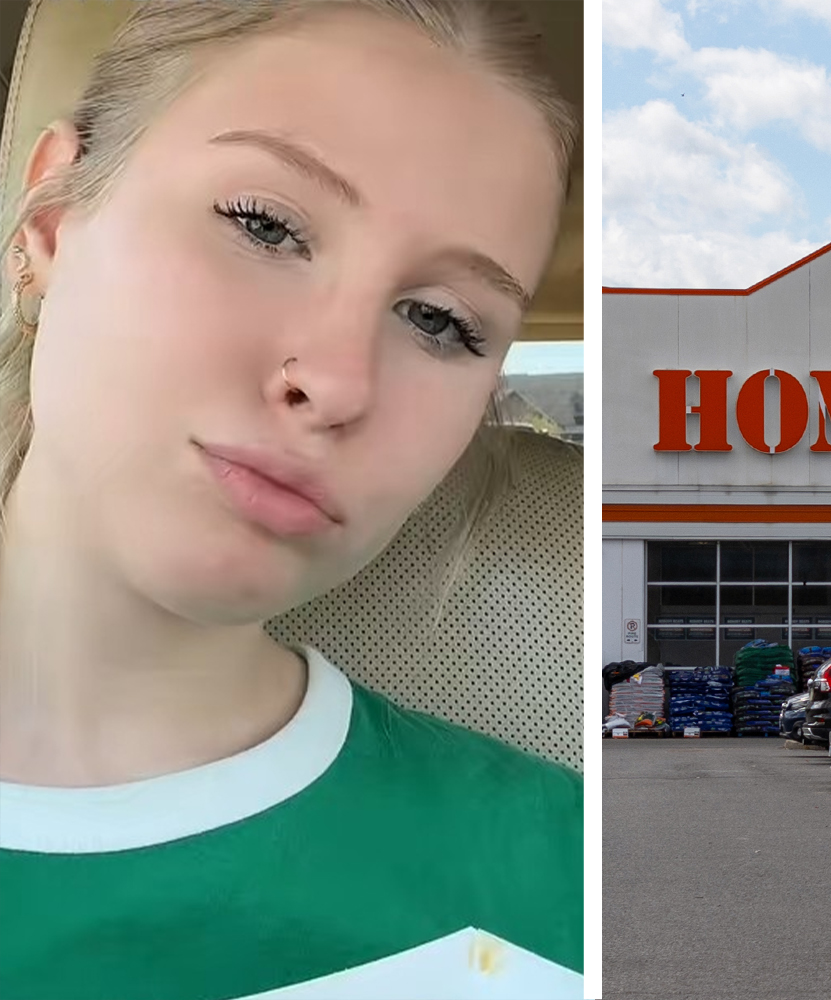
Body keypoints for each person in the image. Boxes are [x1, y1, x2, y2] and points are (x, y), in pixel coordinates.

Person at [0, 2, 583, 996]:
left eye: (441, 322)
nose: (340, 380)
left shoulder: (562, 893)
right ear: (53, 218)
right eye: (264, 225)